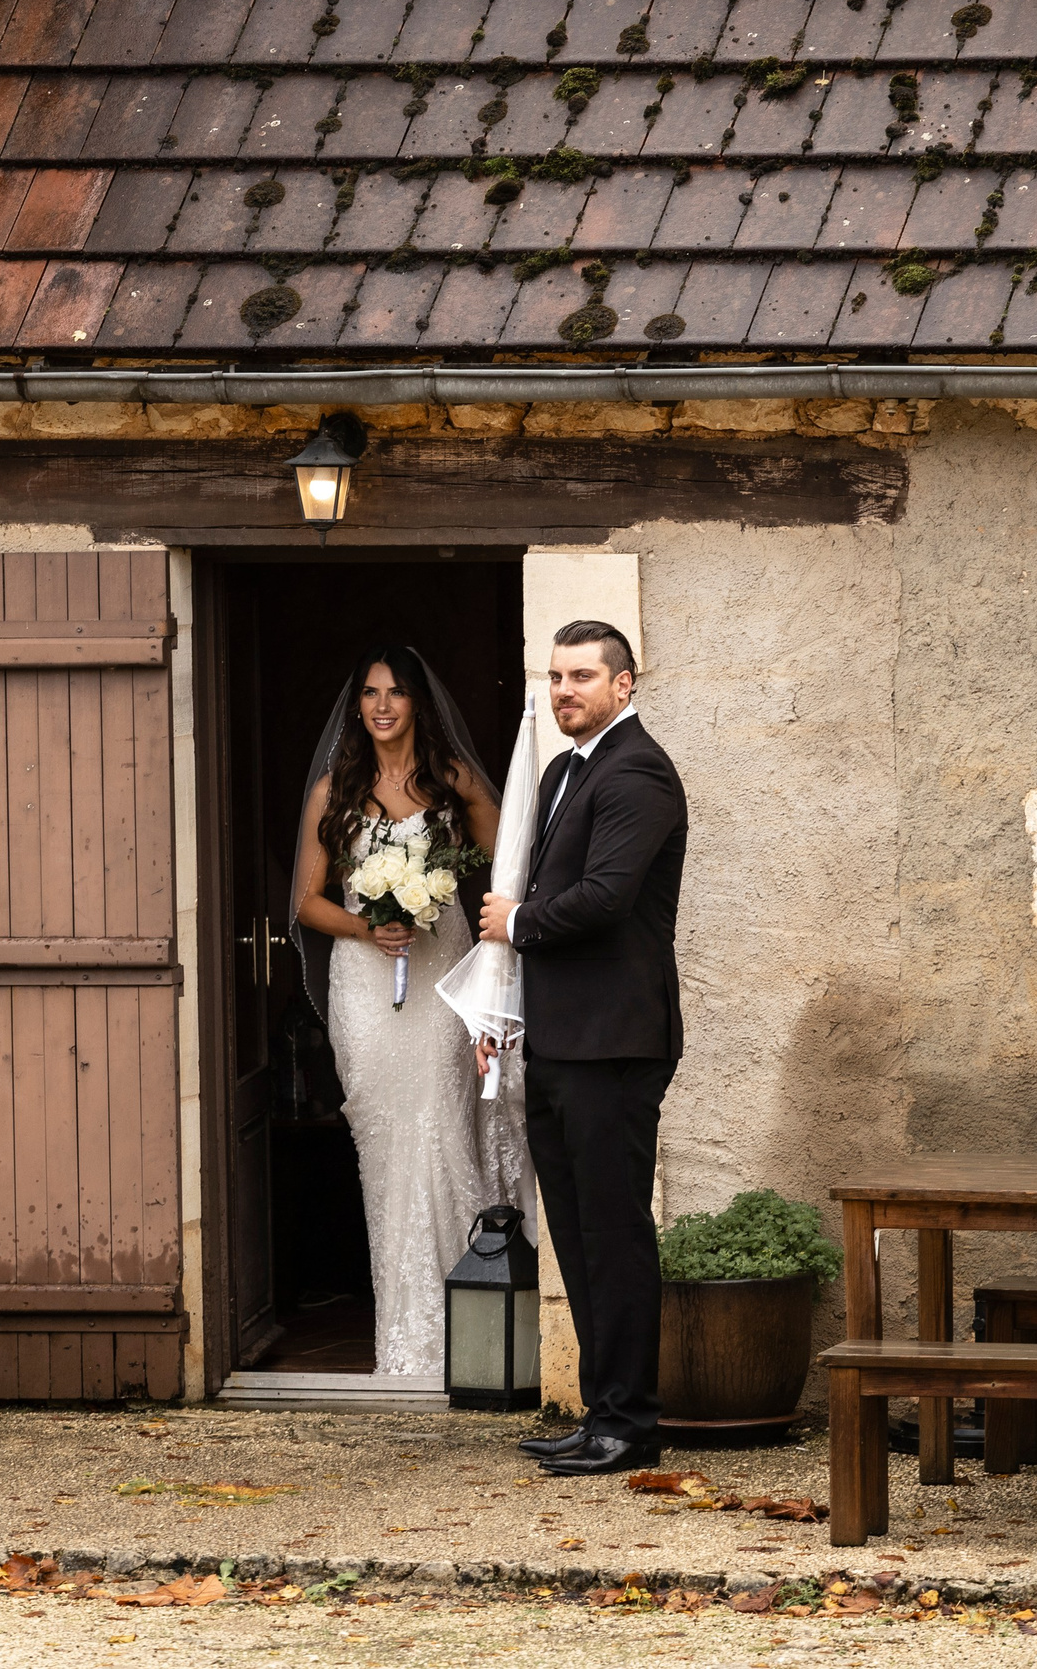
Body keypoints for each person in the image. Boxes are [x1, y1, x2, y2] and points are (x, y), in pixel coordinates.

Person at [478, 620, 687, 1476]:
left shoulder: (637, 770)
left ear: (624, 685)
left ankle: (632, 1422)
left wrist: (517, 922)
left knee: (614, 1232)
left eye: (583, 677)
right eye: (555, 676)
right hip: (561, 1039)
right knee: (576, 1232)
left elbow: (603, 899)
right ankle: (602, 1412)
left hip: (615, 1043)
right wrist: (506, 1016)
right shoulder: (567, 770)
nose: (564, 690)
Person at [291, 647, 531, 1379]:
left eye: (395, 692)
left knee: (444, 1129)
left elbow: (516, 865)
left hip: (442, 979)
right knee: (387, 1146)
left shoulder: (453, 781)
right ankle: (406, 1336)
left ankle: (475, 1336)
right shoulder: (334, 790)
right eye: (369, 692)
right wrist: (368, 924)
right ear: (357, 705)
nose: (382, 704)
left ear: (418, 702)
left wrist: (494, 934)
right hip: (366, 986)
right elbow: (306, 900)